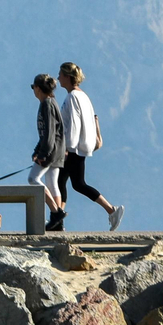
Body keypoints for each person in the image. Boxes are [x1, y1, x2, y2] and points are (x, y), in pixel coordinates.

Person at [57, 61, 125, 230]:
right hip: (81, 147)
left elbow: (73, 124)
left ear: (67, 77)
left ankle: (110, 210)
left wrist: (67, 147)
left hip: (73, 147)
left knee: (69, 183)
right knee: (68, 182)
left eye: (60, 75)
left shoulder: (72, 97)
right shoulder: (83, 95)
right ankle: (58, 218)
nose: (58, 78)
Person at [28, 73, 67, 230]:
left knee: (33, 179)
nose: (33, 91)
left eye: (33, 87)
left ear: (38, 88)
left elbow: (49, 132)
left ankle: (56, 213)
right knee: (52, 183)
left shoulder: (47, 105)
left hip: (51, 151)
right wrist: (37, 150)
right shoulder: (51, 103)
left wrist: (43, 154)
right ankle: (58, 223)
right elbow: (47, 133)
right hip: (57, 150)